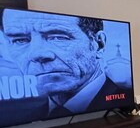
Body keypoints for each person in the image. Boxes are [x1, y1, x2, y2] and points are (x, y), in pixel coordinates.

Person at [0, 8, 130, 118]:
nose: (36, 54)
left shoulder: (123, 99)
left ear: (99, 44)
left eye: (58, 37)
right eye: (20, 40)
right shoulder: (20, 115)